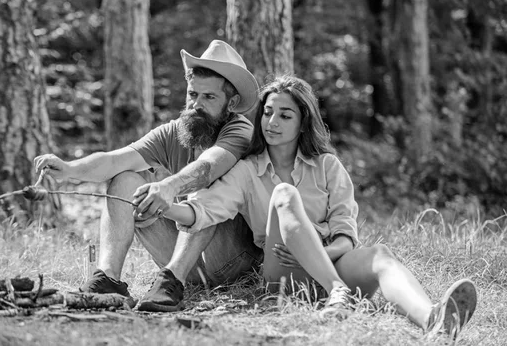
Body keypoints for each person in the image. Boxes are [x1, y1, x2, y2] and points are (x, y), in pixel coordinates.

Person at [163, 74, 477, 338]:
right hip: (282, 271)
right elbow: (205, 209)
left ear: (302, 123)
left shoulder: (328, 167)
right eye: (268, 112)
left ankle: (434, 321)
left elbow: (345, 234)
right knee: (285, 193)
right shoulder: (247, 171)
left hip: (329, 259)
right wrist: (163, 204)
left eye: (285, 115)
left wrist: (318, 255)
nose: (273, 122)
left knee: (380, 255)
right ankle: (338, 291)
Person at [34, 40, 264, 312]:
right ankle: (108, 279)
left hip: (233, 260)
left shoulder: (240, 131)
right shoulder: (176, 132)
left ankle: (171, 279)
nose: (196, 105)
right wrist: (70, 170)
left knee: (203, 187)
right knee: (124, 178)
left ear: (232, 102)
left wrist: (168, 187)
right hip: (194, 265)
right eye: (193, 95)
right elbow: (114, 159)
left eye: (209, 98)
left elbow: (209, 167)